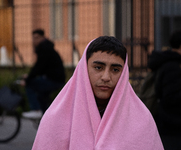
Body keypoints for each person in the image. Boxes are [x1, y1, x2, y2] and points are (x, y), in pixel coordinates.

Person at [32, 36, 164, 149]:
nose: (106, 77)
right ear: (84, 69)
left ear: (124, 74)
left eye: (115, 70)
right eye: (98, 68)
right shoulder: (55, 118)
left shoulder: (142, 121)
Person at [20, 29, 65, 119]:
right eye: (33, 38)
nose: (34, 40)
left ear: (43, 37)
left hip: (54, 80)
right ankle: (48, 119)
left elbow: (38, 67)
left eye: (37, 38)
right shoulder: (45, 47)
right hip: (54, 78)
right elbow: (42, 68)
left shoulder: (45, 49)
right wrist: (29, 76)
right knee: (42, 98)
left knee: (30, 85)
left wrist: (27, 79)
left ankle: (36, 110)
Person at [148, 30, 181, 150]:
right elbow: (170, 97)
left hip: (168, 126)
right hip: (171, 127)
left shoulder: (167, 62)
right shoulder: (173, 67)